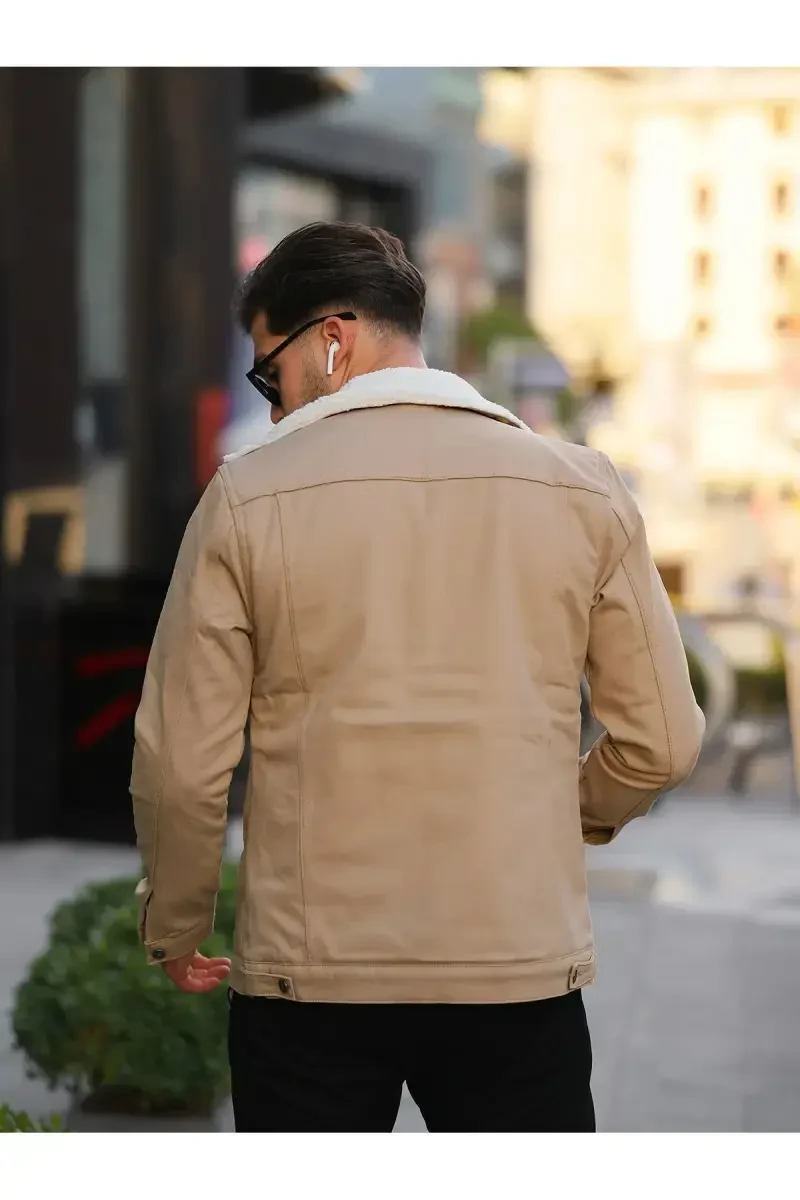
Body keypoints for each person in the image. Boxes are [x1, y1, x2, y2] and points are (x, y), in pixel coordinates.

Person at [131, 221, 705, 1133]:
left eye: (269, 375)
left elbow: (181, 764)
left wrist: (176, 921)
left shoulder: (245, 499)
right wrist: (558, 812)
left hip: (307, 977)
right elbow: (664, 744)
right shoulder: (584, 490)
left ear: (332, 339)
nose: (272, 409)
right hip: (516, 964)